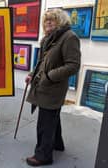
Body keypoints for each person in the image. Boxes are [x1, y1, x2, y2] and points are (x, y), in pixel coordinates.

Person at [25, 8, 81, 167]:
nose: (48, 22)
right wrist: (31, 73)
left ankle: (43, 156)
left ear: (61, 21)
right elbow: (42, 62)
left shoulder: (69, 37)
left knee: (45, 121)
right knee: (51, 116)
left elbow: (73, 65)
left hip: (53, 86)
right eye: (46, 20)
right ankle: (57, 144)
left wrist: (49, 76)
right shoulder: (48, 39)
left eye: (53, 19)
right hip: (43, 85)